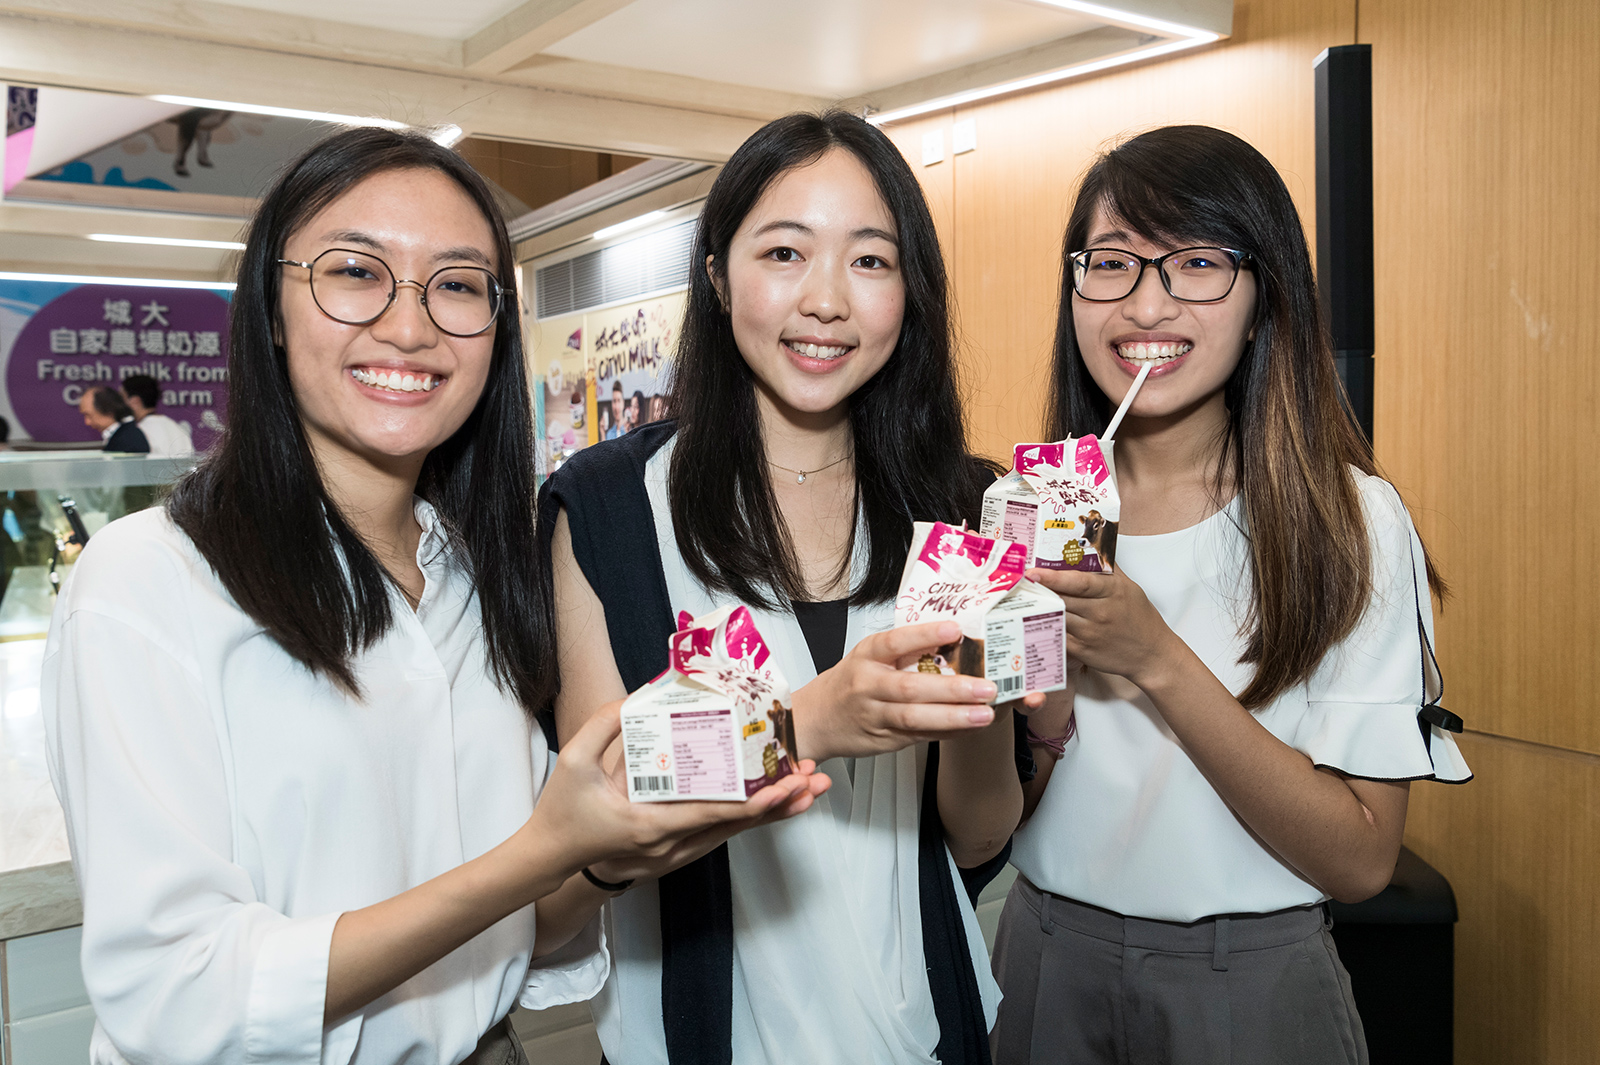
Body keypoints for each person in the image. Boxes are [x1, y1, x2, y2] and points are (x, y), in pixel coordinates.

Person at [42, 127, 826, 1065]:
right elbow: (180, 996)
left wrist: (606, 858)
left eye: (455, 285)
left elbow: (526, 931)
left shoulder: (477, 579)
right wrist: (542, 851)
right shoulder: (150, 579)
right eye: (354, 272)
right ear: (272, 309)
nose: (409, 328)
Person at [545, 110, 1030, 1065]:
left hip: (924, 1025)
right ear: (718, 276)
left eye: (870, 260)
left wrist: (987, 692)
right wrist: (810, 722)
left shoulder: (965, 507)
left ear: (910, 291)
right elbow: (596, 828)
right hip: (694, 1033)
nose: (827, 300)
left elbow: (978, 838)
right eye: (784, 252)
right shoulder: (608, 506)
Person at [989, 125, 1471, 1065]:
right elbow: (996, 818)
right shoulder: (1023, 507)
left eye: (1198, 264)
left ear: (1263, 300)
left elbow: (1362, 859)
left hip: (1250, 985)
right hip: (1043, 956)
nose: (1146, 304)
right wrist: (1037, 711)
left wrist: (1155, 658)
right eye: (1112, 263)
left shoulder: (1347, 520)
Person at [120, 373, 196, 456]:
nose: (118, 404)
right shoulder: (176, 428)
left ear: (135, 401)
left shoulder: (137, 433)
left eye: (121, 398)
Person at [78, 387, 149, 453]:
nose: (87, 422)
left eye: (89, 415)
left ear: (108, 410)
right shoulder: (124, 435)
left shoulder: (127, 441)